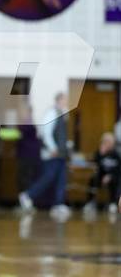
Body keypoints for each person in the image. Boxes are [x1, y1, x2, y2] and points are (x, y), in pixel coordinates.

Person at [19, 92, 71, 220]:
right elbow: (46, 133)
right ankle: (28, 195)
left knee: (61, 179)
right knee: (47, 178)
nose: (66, 102)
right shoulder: (52, 113)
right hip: (51, 154)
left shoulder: (62, 114)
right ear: (59, 100)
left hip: (61, 154)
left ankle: (58, 204)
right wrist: (53, 148)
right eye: (65, 100)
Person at [83, 132, 121, 216]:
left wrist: (110, 176)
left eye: (109, 142)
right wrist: (100, 154)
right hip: (101, 176)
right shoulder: (99, 152)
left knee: (114, 182)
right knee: (92, 180)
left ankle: (113, 203)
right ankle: (90, 202)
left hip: (113, 177)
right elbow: (96, 165)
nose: (107, 143)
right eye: (105, 141)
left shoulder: (116, 154)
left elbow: (118, 170)